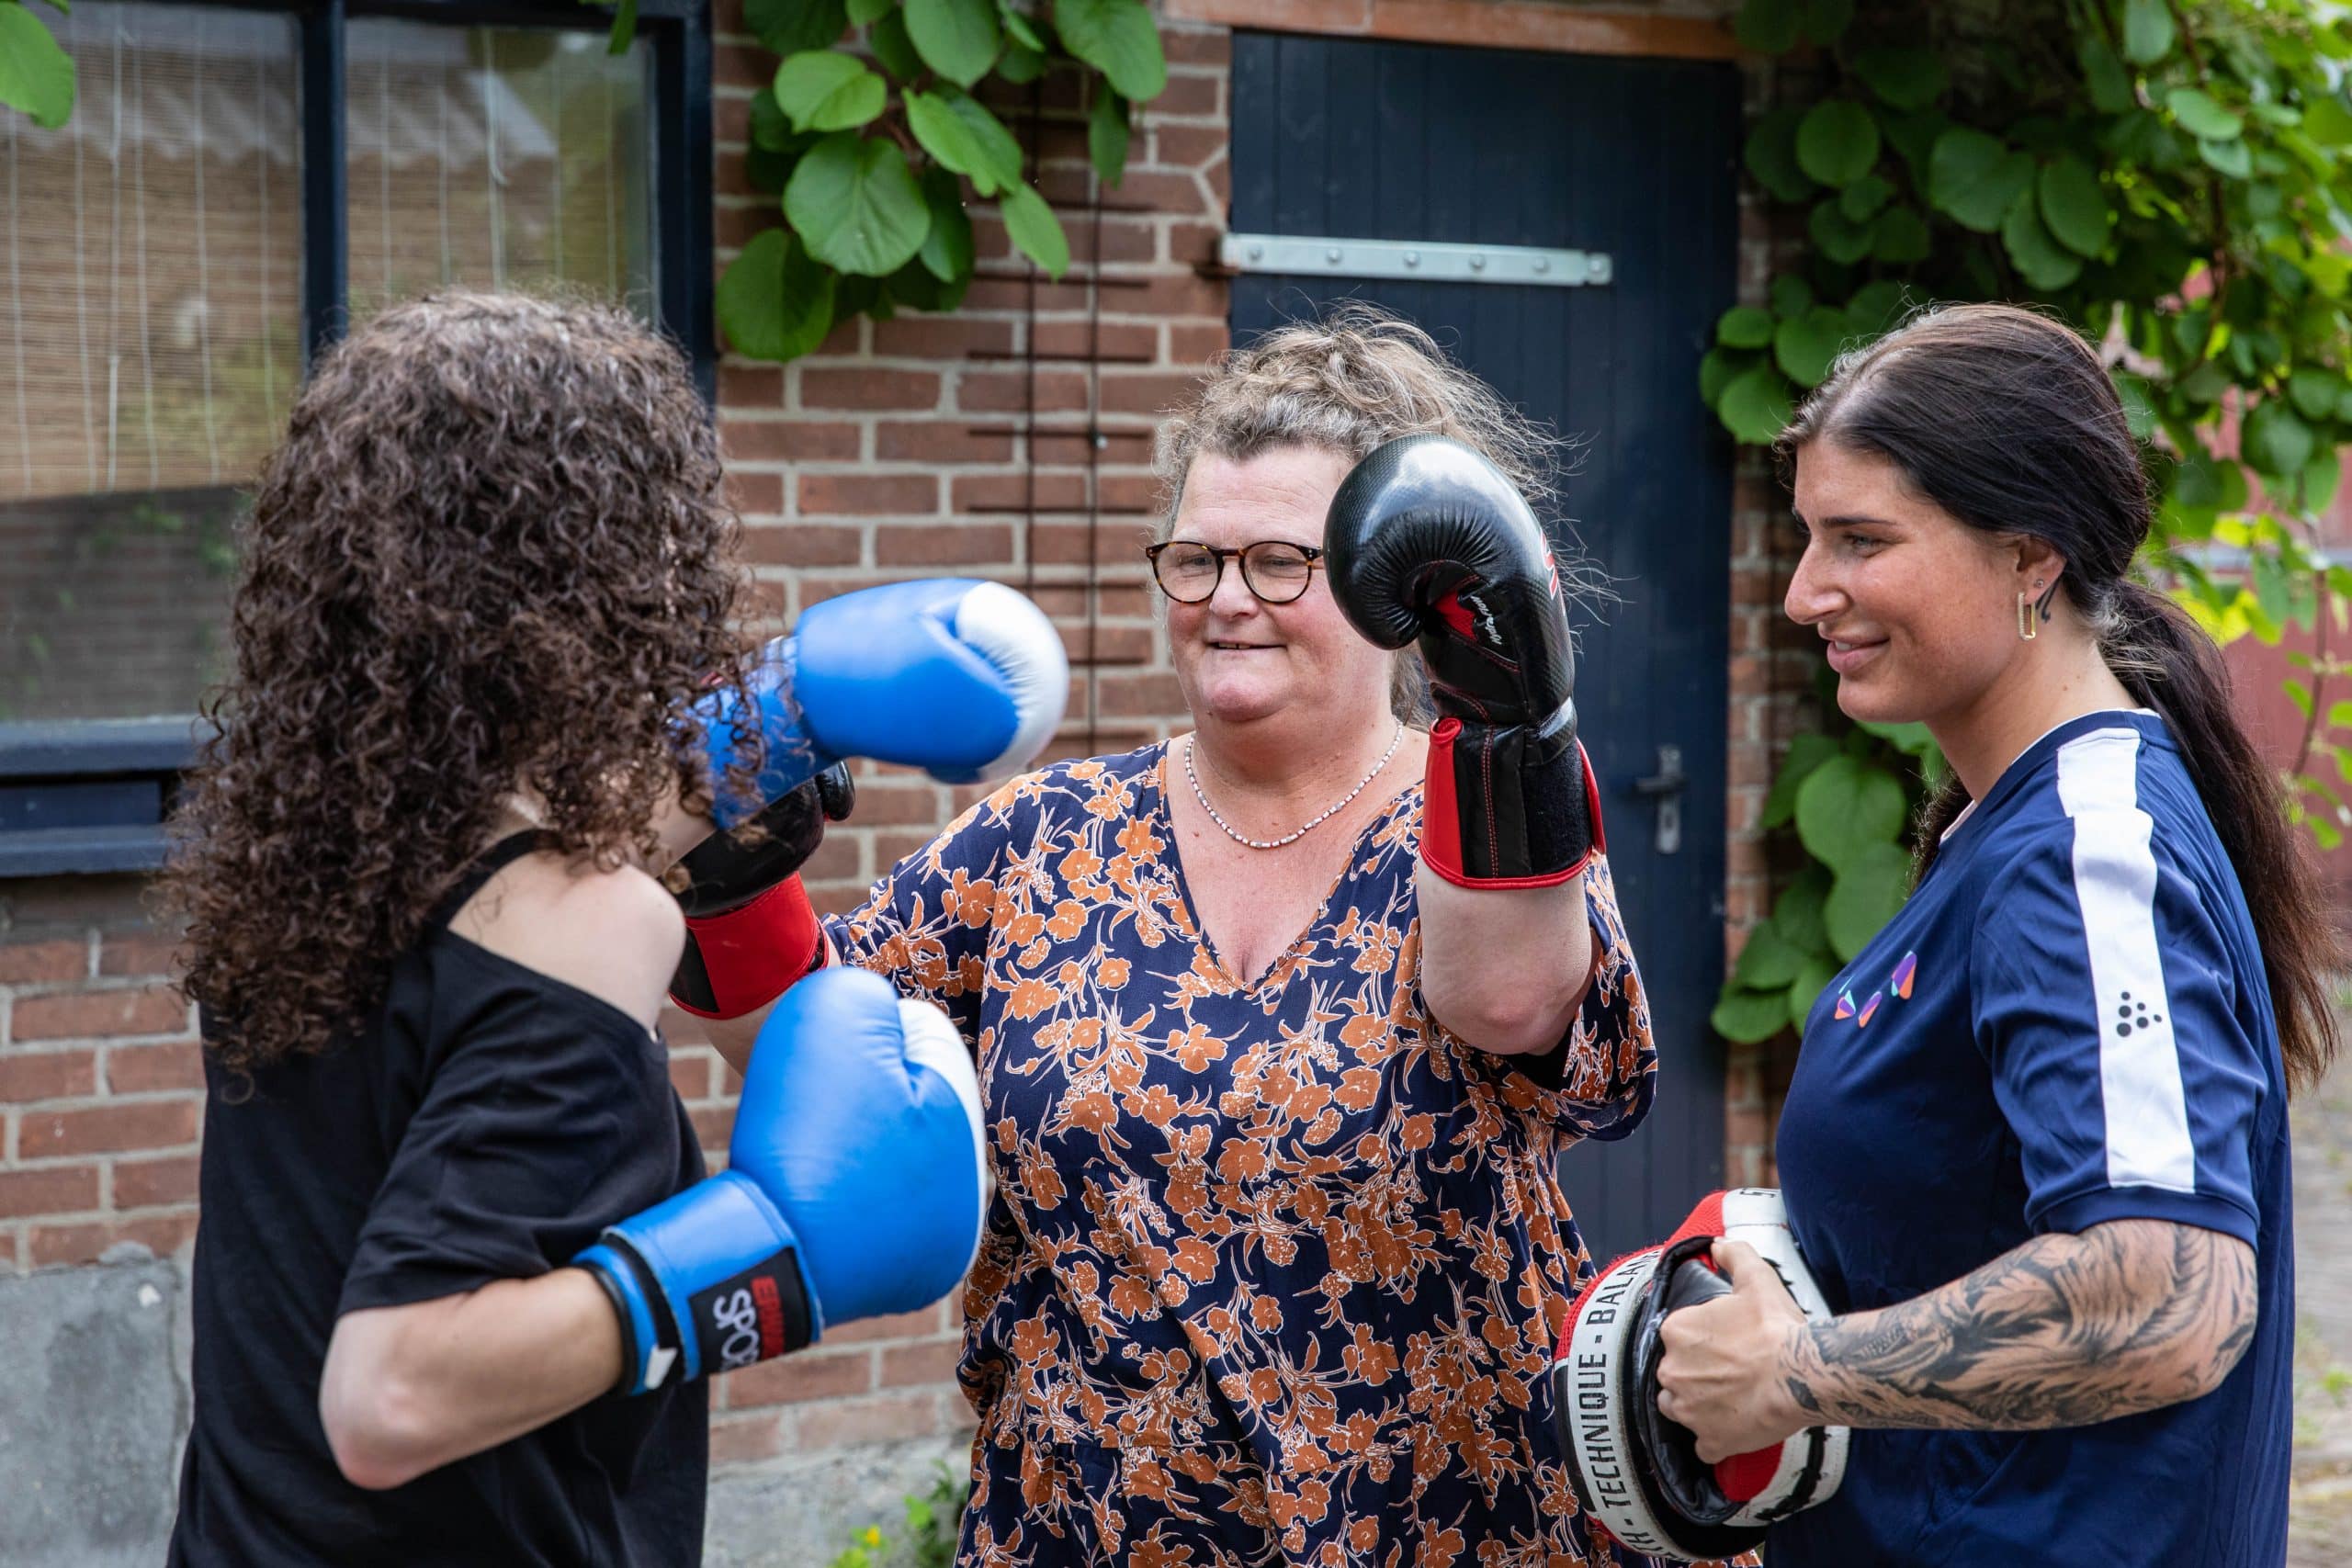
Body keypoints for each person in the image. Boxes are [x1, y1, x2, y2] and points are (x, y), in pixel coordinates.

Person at [684, 305, 1662, 1563]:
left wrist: (1509, 726)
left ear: (1401, 587)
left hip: (1429, 1526)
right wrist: (724, 876)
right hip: (1082, 1526)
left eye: (1278, 564)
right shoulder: (1046, 836)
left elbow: (1519, 1008)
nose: (1225, 602)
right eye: (1195, 561)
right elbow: (809, 1055)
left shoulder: (1475, 813)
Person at [161, 292, 1065, 1566]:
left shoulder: (318, 863)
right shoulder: (590, 918)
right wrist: (766, 1261)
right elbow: (391, 1395)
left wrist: (787, 716)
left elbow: (548, 855)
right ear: (620, 573)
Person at [1652, 302, 2336, 1565]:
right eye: (1810, 538)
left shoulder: (2084, 850)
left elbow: (2170, 1298)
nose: (1809, 592)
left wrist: (1795, 1371)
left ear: (2030, 559)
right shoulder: (2007, 822)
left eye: (1862, 540)